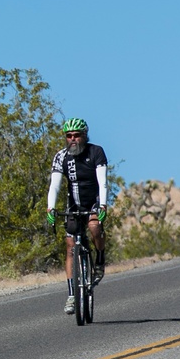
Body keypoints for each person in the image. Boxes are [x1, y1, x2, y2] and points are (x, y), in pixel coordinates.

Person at [46, 118, 108, 315]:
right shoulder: (61, 156)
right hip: (73, 204)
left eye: (77, 135)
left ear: (84, 136)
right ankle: (72, 295)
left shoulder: (95, 152)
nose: (73, 139)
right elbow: (55, 185)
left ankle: (99, 259)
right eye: (69, 136)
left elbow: (103, 182)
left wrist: (103, 206)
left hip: (94, 201)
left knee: (94, 227)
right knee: (71, 246)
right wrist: (50, 208)